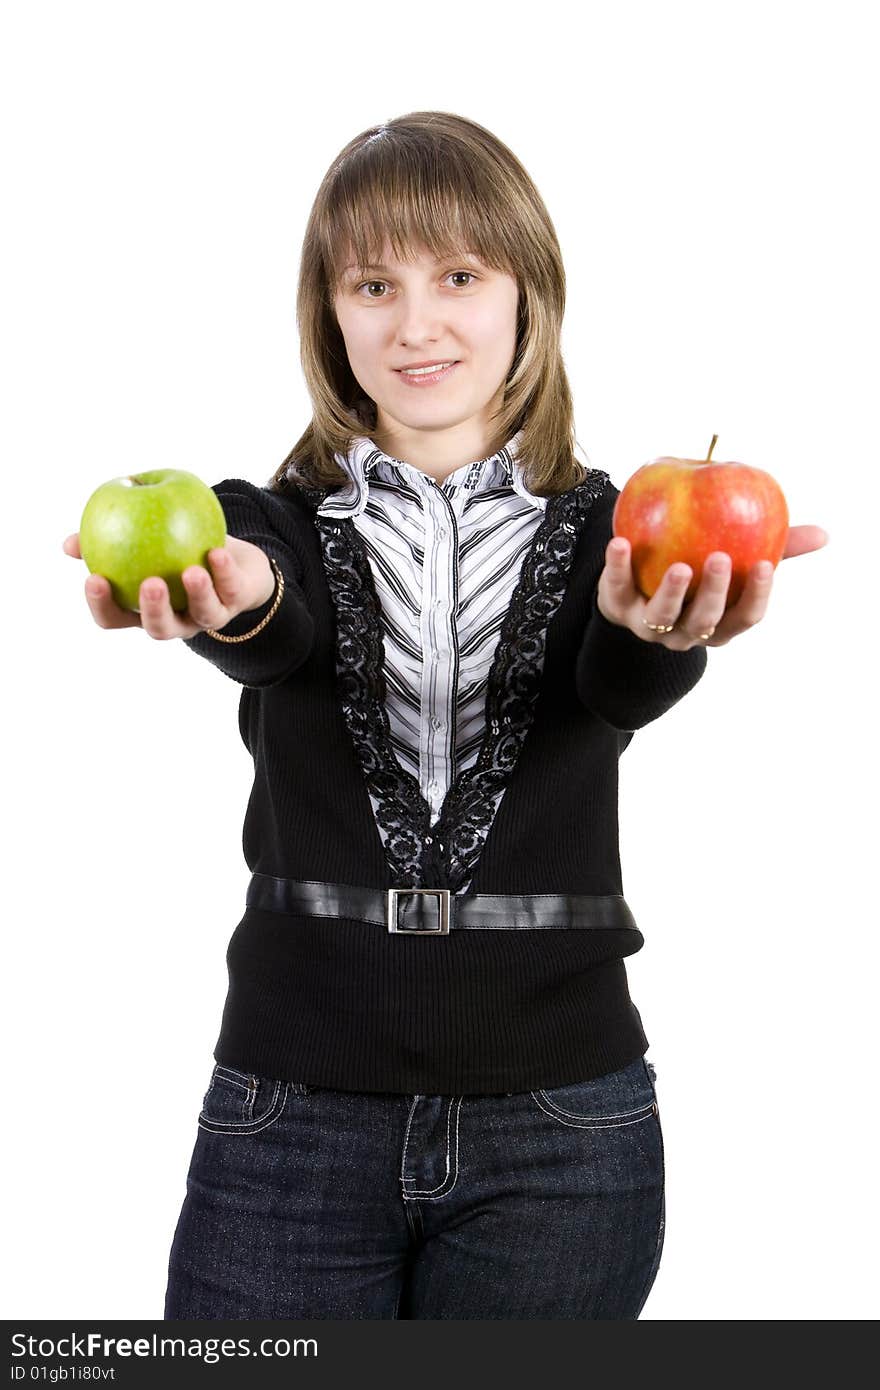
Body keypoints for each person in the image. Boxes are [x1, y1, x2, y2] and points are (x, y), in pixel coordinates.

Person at [63, 111, 828, 1320]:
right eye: (375, 283)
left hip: (563, 1133)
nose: (417, 324)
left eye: (459, 276)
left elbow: (612, 686)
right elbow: (277, 627)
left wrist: (655, 629)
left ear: (529, 293)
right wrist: (238, 601)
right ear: (331, 313)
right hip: (287, 1122)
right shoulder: (258, 524)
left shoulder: (622, 528)